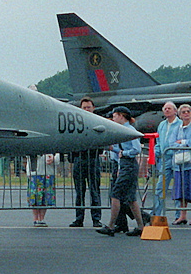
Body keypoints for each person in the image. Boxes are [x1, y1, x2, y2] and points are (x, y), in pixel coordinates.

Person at [97, 107, 146, 237]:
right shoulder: (122, 131)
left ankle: (111, 225)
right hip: (125, 165)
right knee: (130, 198)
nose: (113, 119)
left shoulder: (130, 131)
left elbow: (136, 149)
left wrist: (124, 153)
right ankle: (141, 226)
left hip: (129, 164)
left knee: (116, 194)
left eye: (115, 116)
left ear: (121, 116)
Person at [69, 98, 103, 227]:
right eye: (84, 107)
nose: (87, 109)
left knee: (94, 190)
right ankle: (79, 218)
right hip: (79, 159)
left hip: (93, 159)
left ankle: (96, 218)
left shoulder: (98, 121)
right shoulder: (77, 123)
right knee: (79, 191)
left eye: (89, 107)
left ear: (93, 108)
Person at [153, 102, 179, 216]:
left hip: (178, 158)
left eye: (169, 108)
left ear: (175, 111)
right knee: (160, 186)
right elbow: (158, 142)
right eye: (165, 109)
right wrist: (155, 154)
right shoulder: (162, 125)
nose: (167, 110)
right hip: (165, 159)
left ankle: (179, 215)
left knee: (178, 187)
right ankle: (156, 213)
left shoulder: (180, 124)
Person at [171, 105, 191, 224]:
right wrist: (184, 145)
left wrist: (182, 142)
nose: (186, 113)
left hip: (190, 164)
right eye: (183, 112)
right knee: (182, 191)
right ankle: (182, 215)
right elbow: (171, 142)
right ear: (179, 115)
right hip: (180, 164)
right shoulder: (177, 128)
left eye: (188, 111)